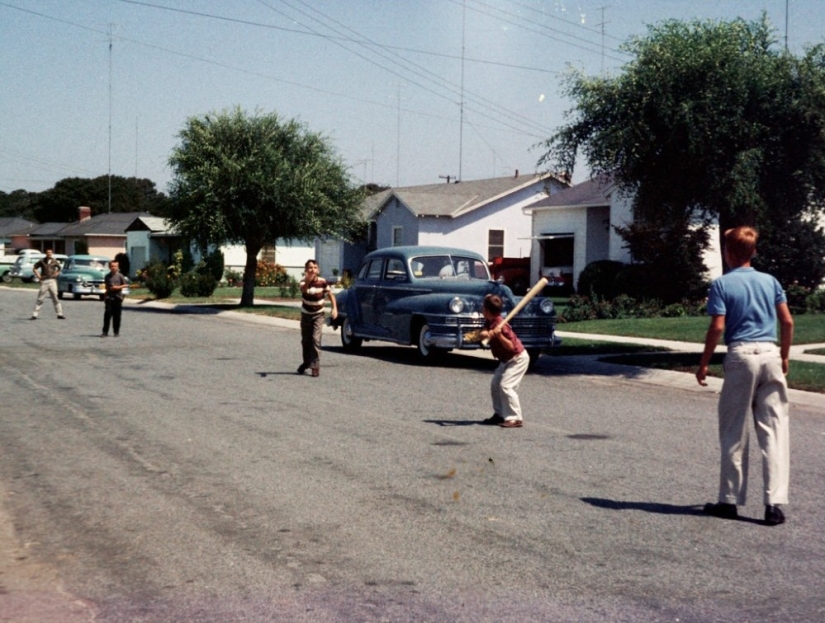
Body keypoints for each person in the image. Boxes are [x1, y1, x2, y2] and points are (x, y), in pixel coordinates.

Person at [696, 226, 794, 526]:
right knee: (774, 431)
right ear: (753, 252)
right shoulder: (771, 281)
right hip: (770, 354)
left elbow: (717, 327)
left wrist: (704, 363)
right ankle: (774, 504)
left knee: (734, 431)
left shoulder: (722, 284)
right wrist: (785, 355)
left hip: (741, 357)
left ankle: (729, 500)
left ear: (728, 252)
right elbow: (787, 321)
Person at [479, 293, 530, 428]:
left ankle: (515, 418)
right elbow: (482, 333)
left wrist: (499, 335)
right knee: (495, 384)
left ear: (488, 311)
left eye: (483, 308)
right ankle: (500, 414)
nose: (482, 309)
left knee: (506, 386)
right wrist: (488, 334)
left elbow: (510, 346)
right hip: (505, 360)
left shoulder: (503, 326)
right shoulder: (490, 322)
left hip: (517, 358)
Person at [297, 259, 337, 377]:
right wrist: (308, 280)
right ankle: (306, 362)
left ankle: (315, 366)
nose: (312, 270)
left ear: (318, 270)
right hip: (306, 314)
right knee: (306, 340)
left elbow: (330, 295)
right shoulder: (303, 282)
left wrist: (334, 308)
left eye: (315, 268)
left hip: (318, 314)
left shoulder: (323, 282)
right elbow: (303, 289)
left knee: (315, 339)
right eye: (310, 268)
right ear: (306, 270)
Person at [31, 249, 65, 320]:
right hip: (44, 280)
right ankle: (35, 314)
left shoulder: (54, 261)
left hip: (52, 280)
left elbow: (59, 268)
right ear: (46, 253)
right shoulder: (42, 261)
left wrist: (56, 273)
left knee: (55, 297)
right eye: (48, 253)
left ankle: (59, 313)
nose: (49, 254)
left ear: (52, 253)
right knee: (40, 297)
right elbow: (34, 268)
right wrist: (39, 276)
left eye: (50, 253)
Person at [101, 260, 128, 337]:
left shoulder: (120, 276)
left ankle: (116, 332)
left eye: (115, 266)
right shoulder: (107, 276)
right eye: (112, 266)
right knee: (107, 315)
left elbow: (125, 285)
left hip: (118, 298)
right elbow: (109, 287)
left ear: (118, 267)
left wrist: (118, 287)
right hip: (109, 298)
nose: (114, 268)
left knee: (117, 316)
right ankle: (105, 332)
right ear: (109, 267)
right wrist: (105, 296)